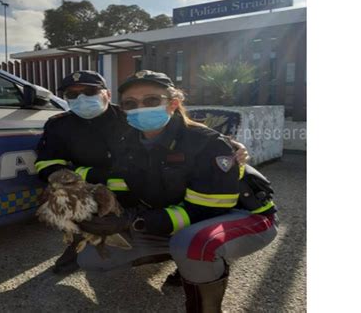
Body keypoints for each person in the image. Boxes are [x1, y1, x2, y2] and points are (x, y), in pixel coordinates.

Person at [76, 70, 278, 313]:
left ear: (173, 103)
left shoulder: (205, 142)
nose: (140, 108)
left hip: (243, 216)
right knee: (92, 258)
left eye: (151, 100)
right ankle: (186, 263)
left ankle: (204, 303)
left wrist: (134, 221)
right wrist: (101, 208)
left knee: (193, 245)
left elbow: (207, 209)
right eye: (130, 103)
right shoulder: (127, 143)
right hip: (178, 219)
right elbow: (122, 182)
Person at [34, 70, 250, 277]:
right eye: (72, 94)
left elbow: (185, 132)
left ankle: (181, 250)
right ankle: (82, 240)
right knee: (65, 197)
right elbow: (47, 164)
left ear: (107, 94)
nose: (81, 98)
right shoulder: (58, 125)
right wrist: (87, 178)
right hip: (88, 184)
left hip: (137, 183)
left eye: (90, 92)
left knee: (169, 204)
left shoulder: (129, 115)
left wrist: (230, 144)